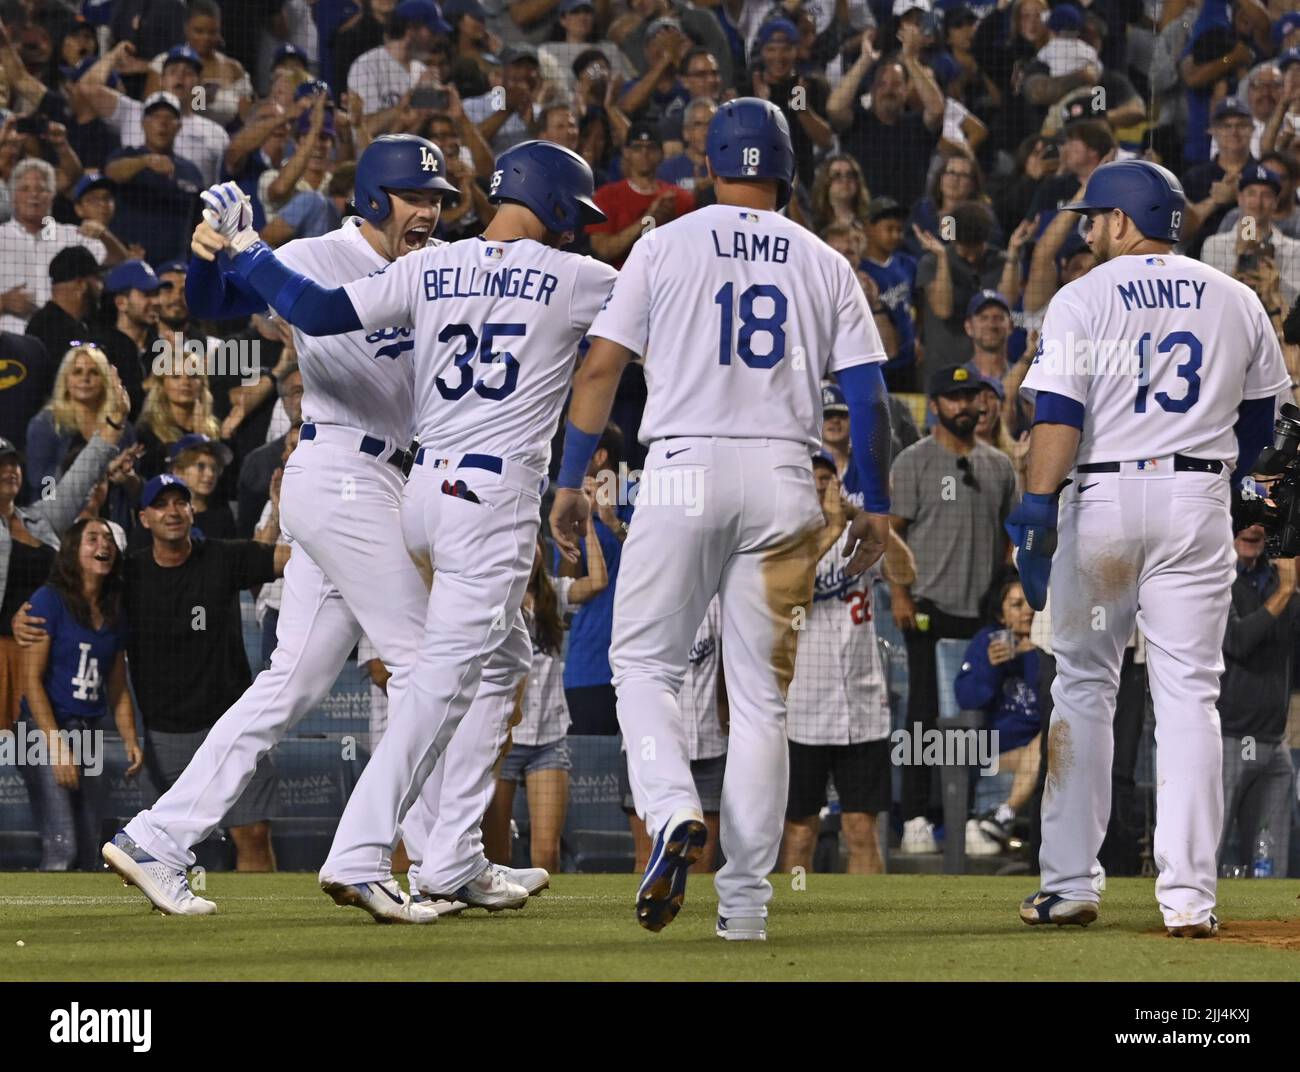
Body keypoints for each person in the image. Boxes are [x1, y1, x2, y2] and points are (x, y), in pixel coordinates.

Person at [97, 136, 534, 922]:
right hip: (342, 475)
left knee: (289, 684)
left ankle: (158, 836)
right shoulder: (323, 254)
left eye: (437, 198)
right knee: (422, 665)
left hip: (380, 480)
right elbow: (215, 303)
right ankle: (431, 858)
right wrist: (211, 251)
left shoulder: (430, 266)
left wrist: (237, 249)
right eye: (414, 196)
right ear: (372, 197)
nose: (430, 211)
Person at [204, 140, 616, 915]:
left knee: (504, 659)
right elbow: (625, 350)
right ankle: (361, 851)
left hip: (422, 490)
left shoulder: (436, 264)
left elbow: (317, 311)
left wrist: (251, 250)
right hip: (490, 499)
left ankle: (455, 855)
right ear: (556, 201)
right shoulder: (579, 276)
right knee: (436, 680)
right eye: (576, 212)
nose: (578, 228)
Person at [549, 98, 892, 941]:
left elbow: (600, 367)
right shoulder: (822, 258)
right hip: (784, 476)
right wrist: (875, 502)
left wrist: (567, 480)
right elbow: (870, 395)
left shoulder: (664, 243)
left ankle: (671, 814)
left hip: (683, 470)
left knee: (642, 666)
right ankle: (744, 909)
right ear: (785, 170)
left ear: (710, 166)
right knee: (763, 706)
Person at [1008, 159, 1290, 937]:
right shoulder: (1236, 299)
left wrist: (1036, 504)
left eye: (1096, 218)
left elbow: (1059, 411)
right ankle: (1190, 898)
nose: (1091, 229)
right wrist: (1242, 499)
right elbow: (1268, 424)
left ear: (1126, 222)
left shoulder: (1083, 296)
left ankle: (1069, 884)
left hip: (1102, 503)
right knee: (1190, 698)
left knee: (1083, 690)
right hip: (1195, 501)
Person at [889, 364, 1017, 855]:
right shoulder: (914, 461)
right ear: (936, 405)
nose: (965, 406)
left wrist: (1003, 594)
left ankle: (956, 816)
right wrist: (899, 595)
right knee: (922, 717)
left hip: (979, 614)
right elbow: (892, 533)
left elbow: (1011, 538)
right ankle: (917, 816)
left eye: (971, 397)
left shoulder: (999, 466)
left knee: (972, 717)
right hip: (926, 610)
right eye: (954, 398)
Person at [782, 455, 914, 876]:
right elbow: (787, 592)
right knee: (801, 830)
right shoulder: (780, 541)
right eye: (813, 482)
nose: (823, 490)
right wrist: (835, 529)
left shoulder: (855, 540)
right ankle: (792, 926)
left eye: (828, 481)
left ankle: (872, 933)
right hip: (802, 711)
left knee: (860, 828)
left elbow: (907, 573)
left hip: (862, 706)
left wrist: (873, 524)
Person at [0, 384, 129, 732]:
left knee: (31, 762)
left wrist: (115, 422)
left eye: (14, 463)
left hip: (47, 657)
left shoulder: (39, 520)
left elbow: (81, 477)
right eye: (0, 465)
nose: (9, 469)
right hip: (3, 655)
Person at [17, 517, 141, 870]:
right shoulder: (48, 600)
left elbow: (117, 685)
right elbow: (30, 681)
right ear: (73, 551)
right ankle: (42, 923)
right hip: (41, 731)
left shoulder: (114, 610)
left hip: (88, 731)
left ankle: (84, 925)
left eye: (108, 539)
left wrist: (130, 737)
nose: (103, 544)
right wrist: (56, 747)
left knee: (91, 848)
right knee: (63, 847)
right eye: (92, 538)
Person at [485, 530, 608, 874]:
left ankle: (546, 918)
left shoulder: (553, 592)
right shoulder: (493, 596)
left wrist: (588, 528)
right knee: (497, 851)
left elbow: (597, 581)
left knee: (546, 851)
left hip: (549, 739)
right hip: (502, 739)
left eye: (533, 542)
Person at [1217, 522, 1298, 877]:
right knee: (1206, 854)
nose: (1252, 528)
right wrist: (1286, 591)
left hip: (1274, 741)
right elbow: (1236, 640)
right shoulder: (1212, 577)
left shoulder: (1279, 578)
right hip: (1225, 738)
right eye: (1243, 520)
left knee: (1271, 867)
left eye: (1261, 521)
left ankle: (1267, 932)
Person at [954, 575, 1042, 848]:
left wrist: (1031, 656)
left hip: (1043, 747)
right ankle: (1001, 818)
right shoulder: (987, 642)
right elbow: (967, 701)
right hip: (995, 754)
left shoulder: (1050, 648)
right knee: (1049, 748)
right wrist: (991, 669)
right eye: (1016, 605)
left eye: (1031, 604)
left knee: (1050, 740)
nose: (1027, 611)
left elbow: (1048, 708)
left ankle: (1001, 817)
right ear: (1000, 615)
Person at [0, 159, 107, 335]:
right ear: (12, 196)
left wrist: (103, 234)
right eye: (25, 189)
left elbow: (116, 260)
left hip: (63, 341)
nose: (33, 194)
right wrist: (3, 302)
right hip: (8, 345)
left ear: (53, 195)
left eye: (42, 189)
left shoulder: (72, 235)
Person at [24, 343, 139, 507]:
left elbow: (139, 493)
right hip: (59, 516)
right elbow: (40, 480)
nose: (85, 379)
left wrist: (128, 479)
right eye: (77, 372)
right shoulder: (46, 423)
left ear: (104, 380)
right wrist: (101, 471)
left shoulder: (122, 427)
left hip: (110, 522)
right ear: (65, 379)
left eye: (94, 372)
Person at [102, 91, 204, 267]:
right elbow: (112, 172)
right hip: (130, 262)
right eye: (155, 116)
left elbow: (198, 223)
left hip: (175, 268)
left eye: (170, 117)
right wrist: (146, 161)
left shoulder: (191, 171)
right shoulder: (126, 155)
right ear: (143, 123)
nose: (162, 123)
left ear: (179, 126)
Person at [587, 122, 695, 268]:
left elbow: (691, 253)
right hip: (620, 281)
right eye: (637, 147)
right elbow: (602, 250)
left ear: (661, 154)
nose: (644, 153)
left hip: (666, 284)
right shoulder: (606, 196)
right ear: (626, 152)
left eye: (651, 147)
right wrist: (648, 219)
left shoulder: (680, 199)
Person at [25, 247, 104, 380]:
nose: (101, 286)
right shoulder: (48, 329)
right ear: (81, 284)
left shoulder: (52, 321)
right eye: (97, 279)